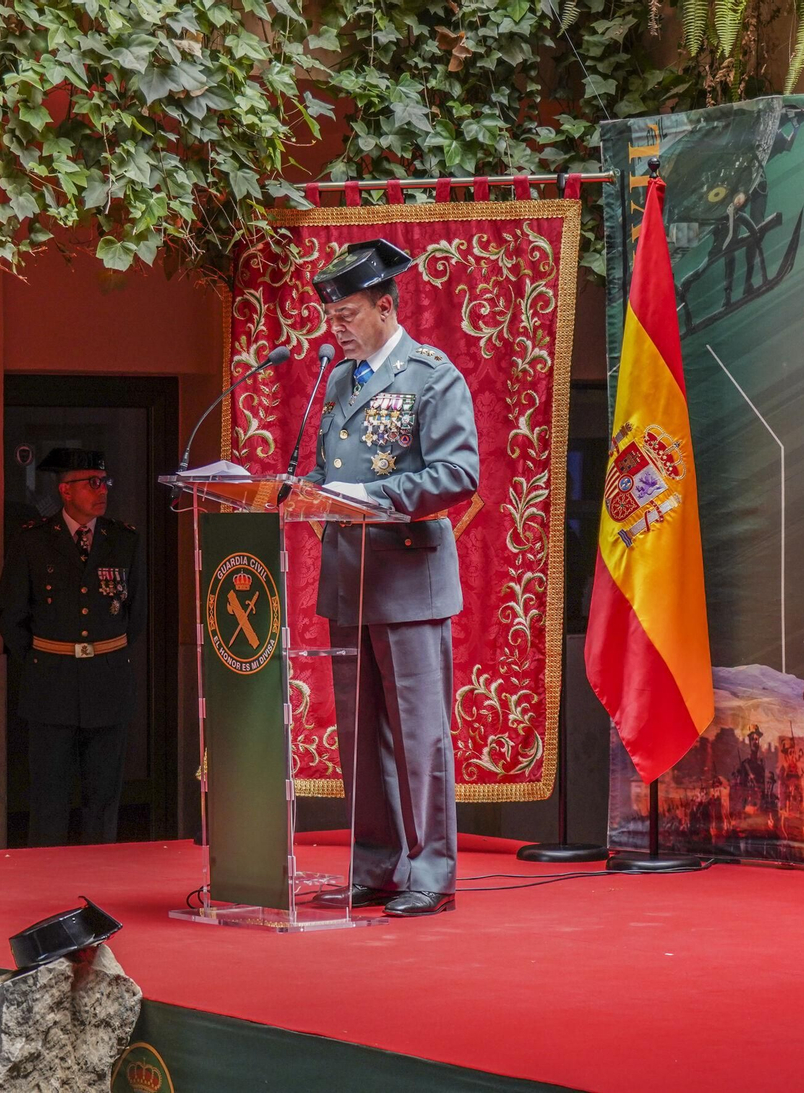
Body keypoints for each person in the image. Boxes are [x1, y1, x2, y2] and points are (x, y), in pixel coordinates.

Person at [303, 238, 479, 918]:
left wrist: (379, 499)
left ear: (385, 307)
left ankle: (428, 871)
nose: (337, 329)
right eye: (331, 318)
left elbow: (458, 473)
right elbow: (330, 470)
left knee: (418, 735)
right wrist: (307, 492)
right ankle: (374, 864)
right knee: (358, 737)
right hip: (351, 579)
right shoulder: (340, 380)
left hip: (407, 581)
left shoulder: (431, 375)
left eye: (347, 315)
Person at [0, 448, 144, 846]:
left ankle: (100, 878)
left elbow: (138, 615)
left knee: (103, 796)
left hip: (108, 681)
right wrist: (43, 659)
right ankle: (46, 882)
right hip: (51, 683)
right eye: (91, 483)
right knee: (48, 798)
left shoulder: (124, 540)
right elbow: (11, 615)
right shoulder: (33, 541)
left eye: (105, 481)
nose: (102, 490)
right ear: (65, 491)